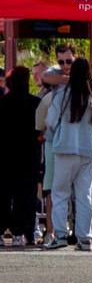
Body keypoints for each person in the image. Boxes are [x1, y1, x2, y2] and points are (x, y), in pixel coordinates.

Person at [42, 56, 92, 251]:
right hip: (88, 149)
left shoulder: (64, 94)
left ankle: (61, 235)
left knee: (60, 192)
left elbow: (51, 120)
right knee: (85, 195)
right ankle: (85, 238)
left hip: (65, 148)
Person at [0, 66, 39, 247]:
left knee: (3, 195)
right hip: (28, 156)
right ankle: (20, 232)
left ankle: (0, 231)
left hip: (5, 156)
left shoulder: (2, 103)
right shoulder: (34, 103)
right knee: (24, 197)